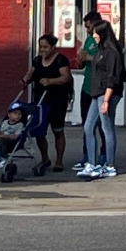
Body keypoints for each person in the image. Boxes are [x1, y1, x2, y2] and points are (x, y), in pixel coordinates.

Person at [80, 18, 126, 179]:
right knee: (88, 127)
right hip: (96, 93)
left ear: (102, 34)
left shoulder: (112, 52)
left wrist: (106, 100)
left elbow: (112, 78)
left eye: (96, 34)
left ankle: (110, 165)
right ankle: (91, 164)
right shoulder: (100, 51)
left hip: (106, 94)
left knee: (107, 128)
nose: (94, 37)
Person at [26, 33, 73, 174]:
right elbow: (30, 74)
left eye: (46, 47)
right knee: (40, 131)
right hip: (40, 100)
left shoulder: (61, 60)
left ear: (53, 47)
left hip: (57, 100)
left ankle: (59, 160)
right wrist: (24, 80)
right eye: (41, 47)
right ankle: (45, 158)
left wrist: (50, 81)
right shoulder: (37, 60)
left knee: (57, 130)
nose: (43, 50)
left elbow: (66, 78)